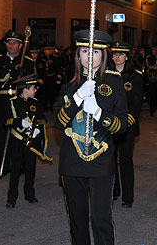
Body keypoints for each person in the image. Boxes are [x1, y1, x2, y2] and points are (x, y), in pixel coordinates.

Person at [53, 29, 128, 245]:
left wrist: (97, 111)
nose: (89, 56)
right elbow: (58, 121)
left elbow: (121, 125)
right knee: (77, 219)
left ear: (104, 56)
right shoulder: (69, 87)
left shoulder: (114, 83)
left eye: (95, 52)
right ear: (78, 55)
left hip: (102, 160)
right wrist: (77, 97)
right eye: (85, 51)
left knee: (100, 219)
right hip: (72, 161)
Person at [0, 30, 34, 176]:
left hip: (19, 102)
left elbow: (33, 86)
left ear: (21, 45)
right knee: (1, 137)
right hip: (2, 102)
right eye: (9, 42)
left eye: (15, 43)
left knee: (19, 136)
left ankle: (19, 165)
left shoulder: (27, 62)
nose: (11, 45)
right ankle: (4, 165)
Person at [5, 74, 51, 208]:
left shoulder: (35, 102)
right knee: (15, 170)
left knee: (31, 168)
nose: (35, 90)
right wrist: (20, 122)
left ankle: (29, 194)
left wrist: (38, 128)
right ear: (25, 89)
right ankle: (11, 198)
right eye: (33, 88)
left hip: (31, 141)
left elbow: (42, 118)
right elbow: (7, 120)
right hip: (17, 141)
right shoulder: (12, 102)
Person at [109, 40, 144, 208]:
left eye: (121, 53)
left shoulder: (136, 76)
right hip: (110, 124)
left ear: (127, 56)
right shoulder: (106, 75)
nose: (117, 57)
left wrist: (126, 121)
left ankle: (127, 197)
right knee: (110, 158)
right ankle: (114, 191)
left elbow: (136, 103)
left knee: (125, 159)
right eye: (115, 53)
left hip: (127, 125)